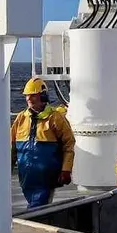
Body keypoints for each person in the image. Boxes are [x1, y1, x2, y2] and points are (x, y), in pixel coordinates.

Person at [11, 78, 75, 209]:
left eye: (33, 95)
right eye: (27, 95)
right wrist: (6, 168)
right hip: (26, 176)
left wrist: (66, 169)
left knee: (38, 205)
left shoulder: (55, 118)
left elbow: (68, 145)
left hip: (46, 176)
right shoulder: (21, 118)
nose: (29, 98)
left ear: (43, 96)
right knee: (34, 204)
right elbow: (11, 146)